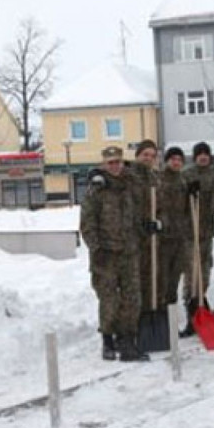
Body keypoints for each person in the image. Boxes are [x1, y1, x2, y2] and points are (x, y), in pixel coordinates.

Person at [80, 146, 148, 362]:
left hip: (129, 252)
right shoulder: (96, 189)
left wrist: (146, 228)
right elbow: (87, 223)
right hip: (106, 255)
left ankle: (127, 339)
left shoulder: (131, 184)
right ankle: (108, 340)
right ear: (104, 164)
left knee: (132, 298)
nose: (115, 166)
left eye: (118, 162)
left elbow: (147, 196)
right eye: (110, 163)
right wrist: (95, 248)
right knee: (109, 300)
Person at [180, 141, 214, 336]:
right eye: (199, 154)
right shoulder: (186, 174)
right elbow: (177, 198)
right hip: (190, 232)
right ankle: (191, 316)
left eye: (206, 154)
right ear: (195, 156)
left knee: (204, 272)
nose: (203, 157)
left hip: (206, 231)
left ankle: (201, 306)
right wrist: (188, 193)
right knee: (191, 274)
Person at [125, 139, 162, 313]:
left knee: (151, 279)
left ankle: (148, 315)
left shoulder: (155, 178)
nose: (148, 158)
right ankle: (132, 320)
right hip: (132, 239)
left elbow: (161, 207)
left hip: (151, 239)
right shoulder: (128, 176)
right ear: (137, 155)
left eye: (152, 156)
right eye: (145, 154)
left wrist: (159, 223)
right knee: (132, 282)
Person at [157, 146, 190, 315]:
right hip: (163, 239)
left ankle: (171, 316)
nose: (176, 162)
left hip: (180, 237)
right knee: (162, 278)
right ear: (167, 161)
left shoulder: (183, 181)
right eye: (173, 159)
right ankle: (162, 315)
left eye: (179, 160)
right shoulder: (159, 180)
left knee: (175, 279)